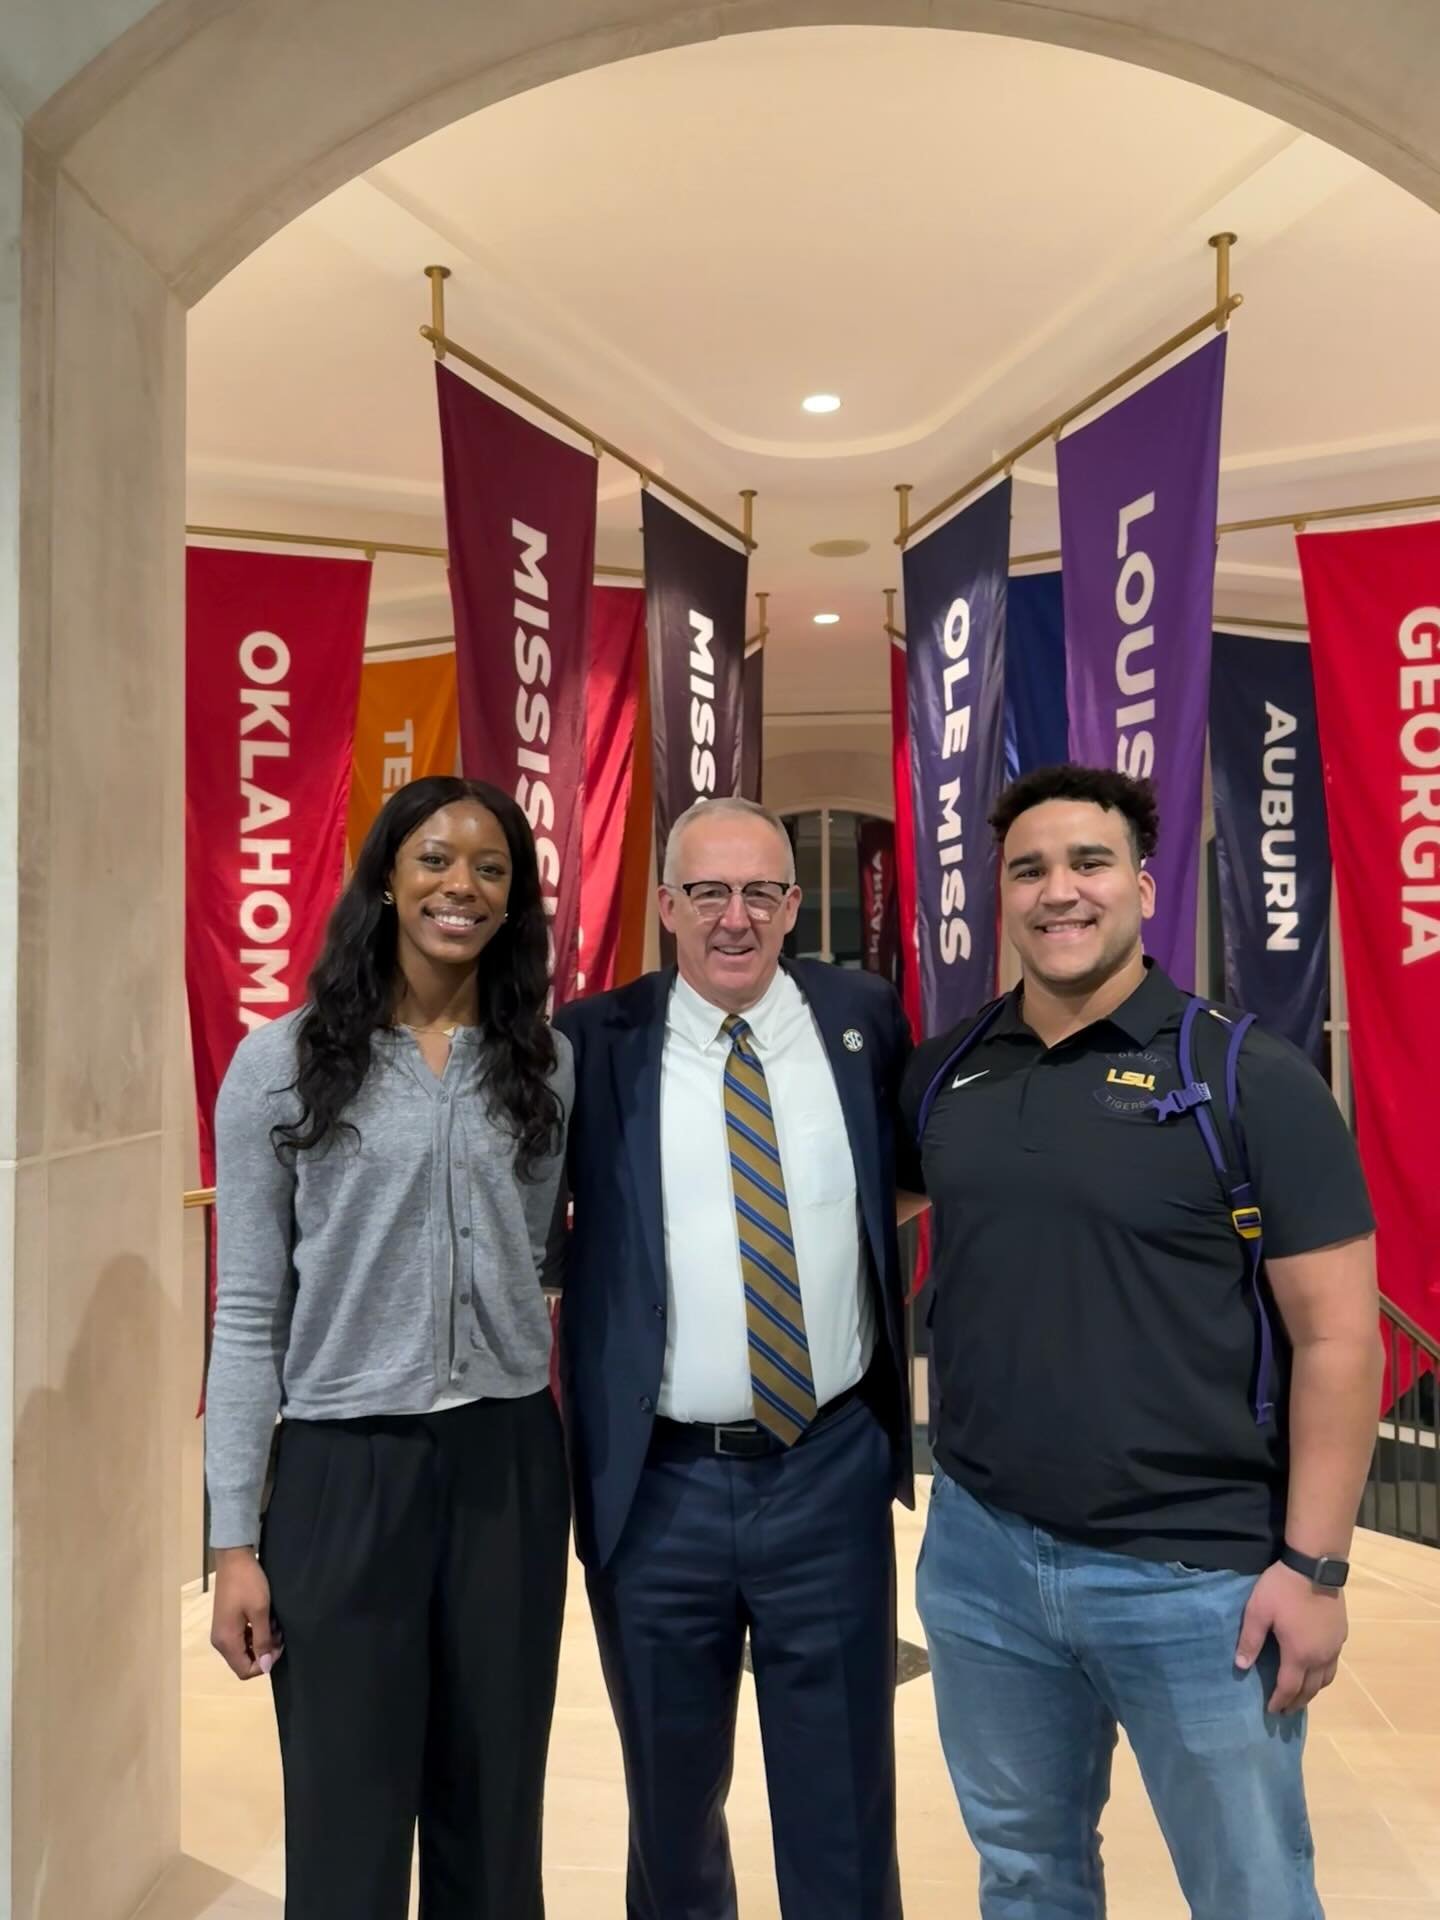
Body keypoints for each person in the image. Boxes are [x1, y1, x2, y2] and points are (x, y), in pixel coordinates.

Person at [902, 763, 1382, 1920]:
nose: (1058, 892)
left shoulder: (1247, 1076)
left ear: (1142, 885)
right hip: (984, 1563)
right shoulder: (948, 1074)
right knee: (1026, 1879)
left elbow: (1340, 1340)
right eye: (1029, 869)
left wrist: (1315, 1569)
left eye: (1087, 863)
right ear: (1000, 893)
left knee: (1251, 1892)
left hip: (1199, 1582)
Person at [205, 775, 573, 1920]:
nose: (461, 885)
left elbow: (532, 1254)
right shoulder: (282, 1063)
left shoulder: (543, 1064)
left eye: (491, 868)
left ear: (513, 902)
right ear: (385, 877)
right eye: (434, 860)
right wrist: (231, 1540)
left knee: (495, 1806)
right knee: (345, 1814)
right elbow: (250, 1308)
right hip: (339, 1474)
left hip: (506, 1466)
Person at [552, 795, 917, 1920]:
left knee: (845, 1806)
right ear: (665, 905)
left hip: (827, 1470)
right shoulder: (590, 1040)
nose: (734, 917)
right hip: (656, 1489)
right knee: (669, 1808)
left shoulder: (861, 1014)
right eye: (707, 891)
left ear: (795, 905)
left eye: (761, 891)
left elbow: (902, 1183)